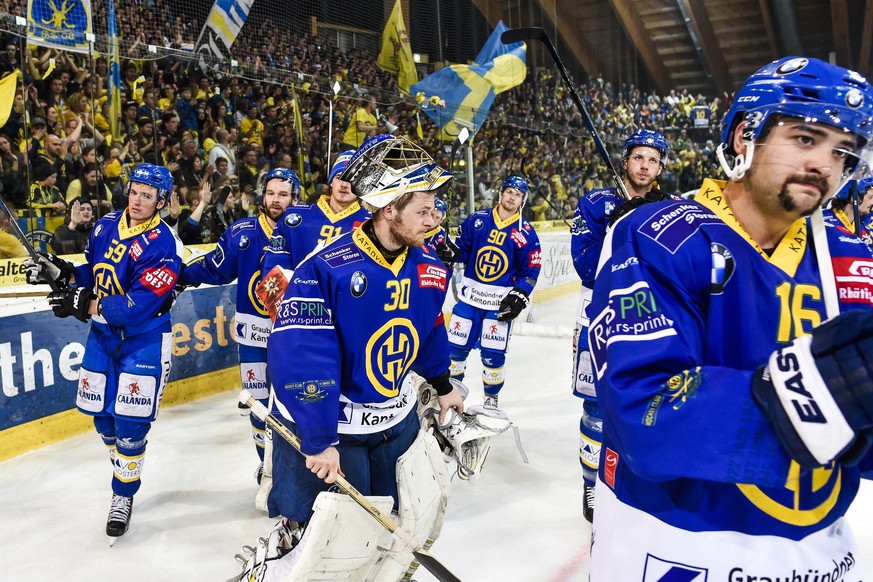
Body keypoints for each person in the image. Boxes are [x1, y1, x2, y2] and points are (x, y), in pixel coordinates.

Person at [587, 57, 873, 579]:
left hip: (820, 553)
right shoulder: (657, 235)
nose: (825, 165)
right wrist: (826, 397)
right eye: (806, 139)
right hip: (677, 547)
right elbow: (644, 410)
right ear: (745, 135)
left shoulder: (852, 258)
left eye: (842, 151)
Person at [231, 134, 464, 580]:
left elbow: (428, 325)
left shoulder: (428, 263)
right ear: (388, 208)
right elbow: (304, 357)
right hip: (332, 430)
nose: (434, 220)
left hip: (392, 423)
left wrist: (443, 383)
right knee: (325, 546)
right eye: (423, 210)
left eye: (435, 208)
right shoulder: (326, 268)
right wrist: (318, 437)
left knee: (386, 535)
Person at [24, 163, 182, 543]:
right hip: (101, 337)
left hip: (143, 338)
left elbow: (137, 305)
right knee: (100, 416)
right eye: (135, 191)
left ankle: (122, 494)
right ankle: (125, 467)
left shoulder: (166, 243)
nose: (138, 199)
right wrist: (60, 273)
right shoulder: (105, 224)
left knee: (130, 425)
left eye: (148, 194)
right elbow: (93, 274)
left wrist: (86, 304)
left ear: (162, 201)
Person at [569, 128, 670, 523]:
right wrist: (619, 227)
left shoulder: (667, 205)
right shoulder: (596, 203)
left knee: (647, 401)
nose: (645, 166)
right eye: (638, 158)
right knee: (596, 407)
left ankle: (633, 476)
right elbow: (585, 265)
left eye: (653, 160)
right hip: (599, 315)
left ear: (660, 167)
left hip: (648, 318)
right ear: (625, 160)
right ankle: (591, 485)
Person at [179, 168, 300, 482]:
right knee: (259, 407)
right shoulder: (241, 232)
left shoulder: (306, 232)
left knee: (296, 405)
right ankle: (268, 466)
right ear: (263, 196)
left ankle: (294, 468)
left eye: (283, 195)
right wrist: (178, 275)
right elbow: (213, 269)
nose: (276, 200)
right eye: (271, 193)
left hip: (294, 340)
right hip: (253, 338)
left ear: (295, 198)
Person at [447, 176, 541, 415]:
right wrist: (450, 252)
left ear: (523, 200)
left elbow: (531, 270)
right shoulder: (477, 221)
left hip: (498, 305)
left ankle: (491, 399)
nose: (512, 197)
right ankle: (451, 392)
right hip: (469, 300)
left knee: (493, 355)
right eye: (509, 191)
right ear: (500, 194)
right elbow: (463, 252)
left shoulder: (526, 233)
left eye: (518, 194)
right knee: (454, 350)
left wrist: (520, 295)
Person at [261, 150, 370, 275]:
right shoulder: (295, 218)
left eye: (352, 178)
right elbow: (273, 268)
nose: (344, 184)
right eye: (339, 177)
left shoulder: (370, 224)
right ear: (331, 182)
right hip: (297, 294)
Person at [823, 177, 873, 246]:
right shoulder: (822, 223)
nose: (872, 202)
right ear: (854, 197)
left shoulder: (866, 231)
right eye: (870, 197)